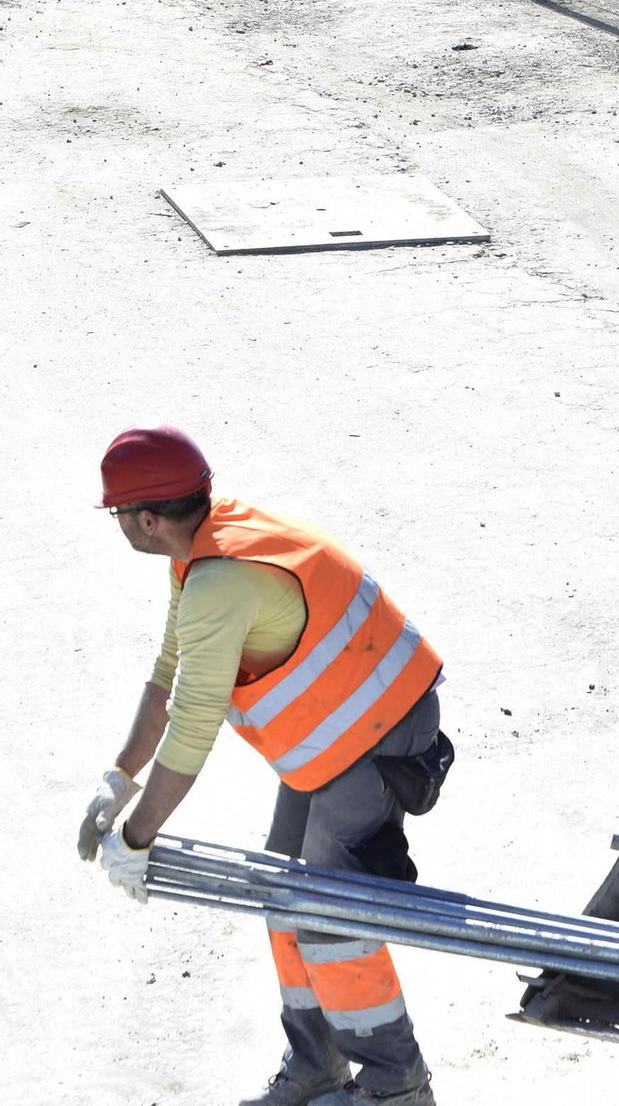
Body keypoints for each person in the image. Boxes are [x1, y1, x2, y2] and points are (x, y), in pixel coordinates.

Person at [82, 427, 446, 1106]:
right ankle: (316, 1067)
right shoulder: (203, 546)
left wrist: (137, 840)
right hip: (337, 736)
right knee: (282, 891)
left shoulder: (219, 582)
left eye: (118, 515)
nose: (119, 525)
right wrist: (119, 780)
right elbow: (169, 673)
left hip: (377, 731)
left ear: (148, 519)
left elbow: (193, 725)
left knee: (328, 914)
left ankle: (398, 1089)